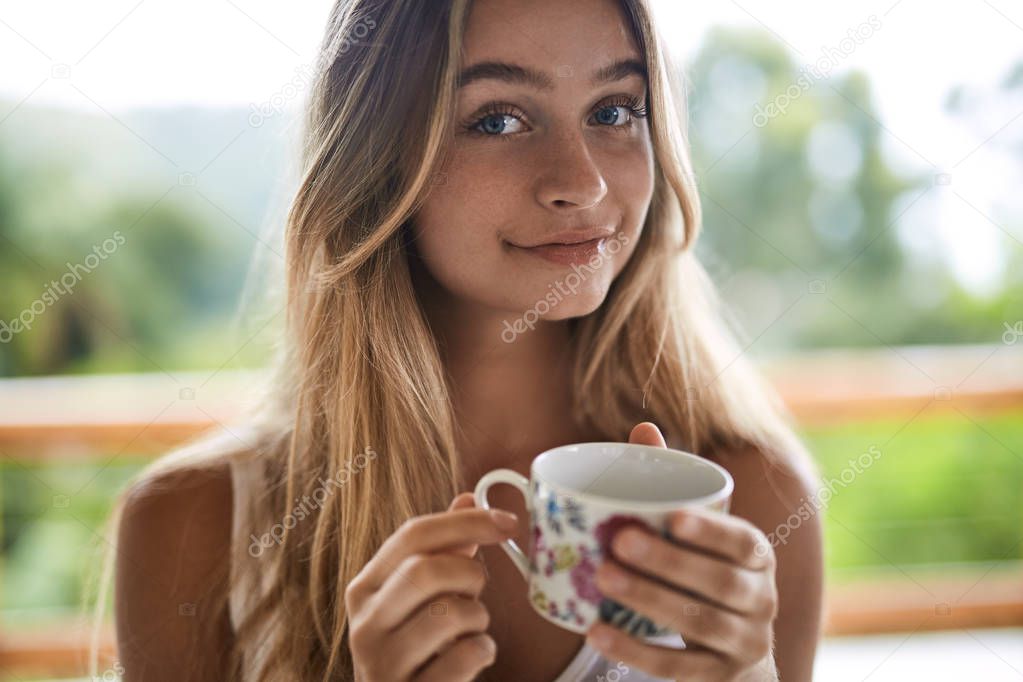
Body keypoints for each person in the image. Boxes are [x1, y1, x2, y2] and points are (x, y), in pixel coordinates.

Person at [106, 0, 824, 679]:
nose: (583, 183)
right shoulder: (193, 527)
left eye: (613, 110)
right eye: (498, 121)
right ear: (378, 163)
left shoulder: (757, 501)